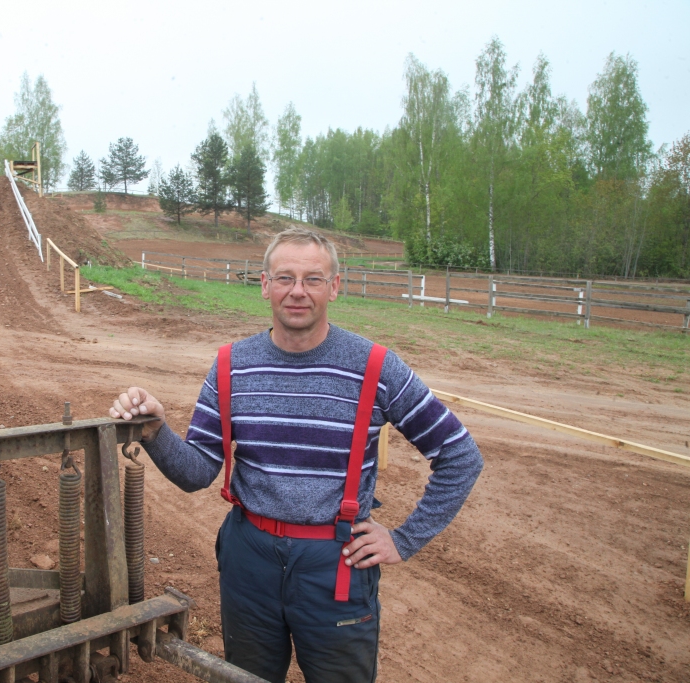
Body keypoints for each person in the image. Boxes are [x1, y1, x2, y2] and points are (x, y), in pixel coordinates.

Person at [109, 227, 483, 683]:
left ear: (335, 287)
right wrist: (155, 429)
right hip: (249, 563)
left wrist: (404, 540)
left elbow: (460, 456)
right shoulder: (232, 365)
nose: (298, 292)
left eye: (313, 279)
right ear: (265, 285)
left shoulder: (376, 367)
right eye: (285, 278)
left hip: (336, 567)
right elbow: (196, 472)